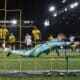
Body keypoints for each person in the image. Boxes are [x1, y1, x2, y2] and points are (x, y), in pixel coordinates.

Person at [6, 33, 73, 57]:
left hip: (39, 49)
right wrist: (72, 42)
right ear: (59, 37)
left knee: (25, 54)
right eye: (62, 38)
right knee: (25, 54)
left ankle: (11, 51)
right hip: (38, 50)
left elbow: (59, 44)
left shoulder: (55, 40)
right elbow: (64, 43)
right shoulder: (56, 41)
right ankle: (11, 51)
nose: (62, 40)